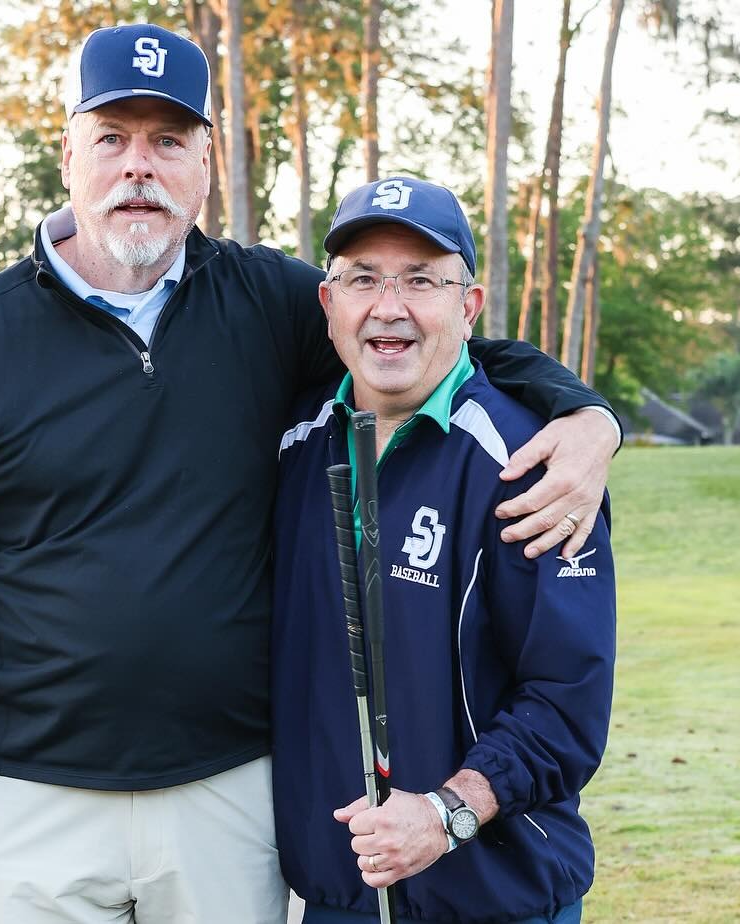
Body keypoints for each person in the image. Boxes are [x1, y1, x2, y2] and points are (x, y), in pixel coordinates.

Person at [0, 23, 618, 924]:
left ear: (207, 164)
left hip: (226, 793)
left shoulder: (270, 303)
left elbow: (425, 339)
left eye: (169, 141)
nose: (139, 167)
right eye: (112, 139)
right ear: (70, 156)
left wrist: (586, 418)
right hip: (31, 796)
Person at [271, 176, 616, 924]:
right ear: (328, 305)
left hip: (497, 896)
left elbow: (567, 705)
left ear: (468, 307)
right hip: (339, 896)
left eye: (421, 281)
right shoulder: (293, 445)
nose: (388, 307)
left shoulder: (533, 463)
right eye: (363, 279)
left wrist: (446, 813)